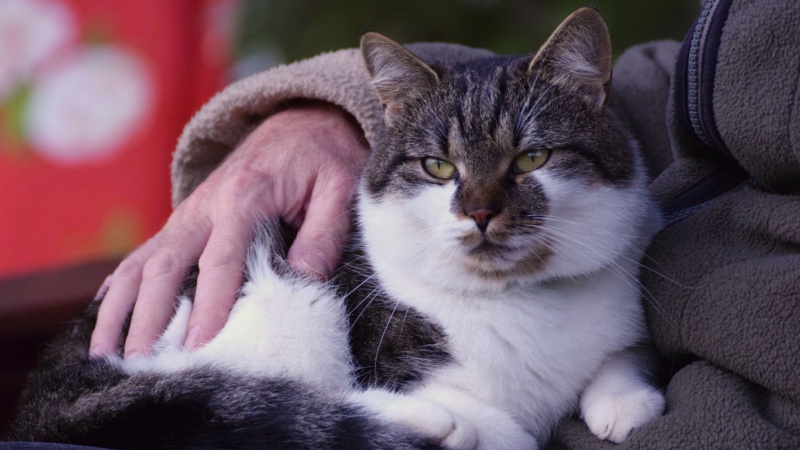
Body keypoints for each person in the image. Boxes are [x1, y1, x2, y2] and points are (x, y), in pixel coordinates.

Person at [89, 0, 800, 448]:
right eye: (444, 174)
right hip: (154, 379)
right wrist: (327, 105)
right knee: (297, 314)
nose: (482, 206)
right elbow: (698, 79)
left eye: (530, 159)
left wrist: (615, 372)